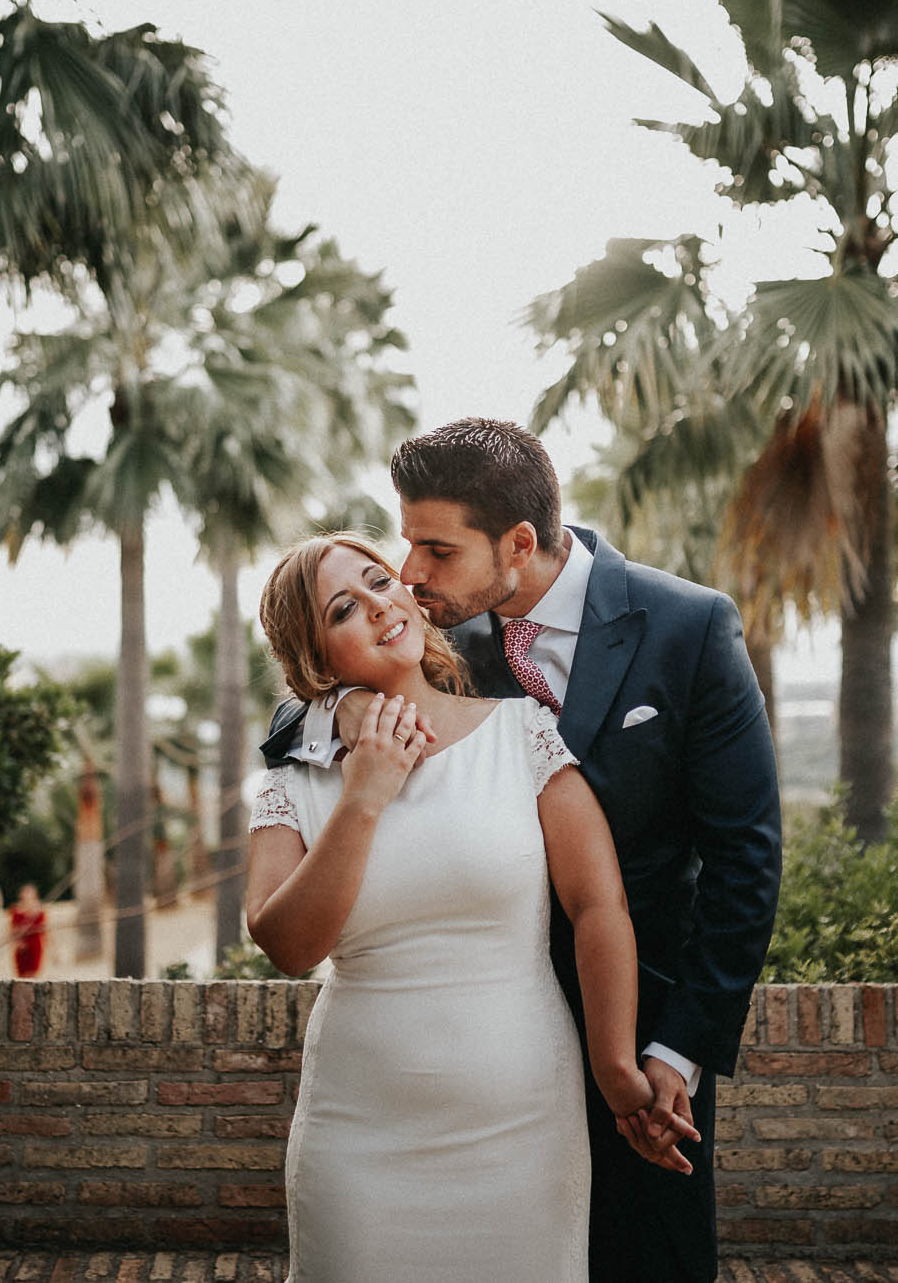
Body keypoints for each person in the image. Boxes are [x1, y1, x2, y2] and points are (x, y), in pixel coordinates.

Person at [261, 418, 782, 1283]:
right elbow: (304, 688)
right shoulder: (449, 641)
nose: (413, 577)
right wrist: (341, 715)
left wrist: (673, 1048)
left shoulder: (688, 627)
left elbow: (745, 863)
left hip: (642, 1030)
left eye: (435, 549)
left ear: (519, 543)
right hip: (461, 1040)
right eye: (406, 548)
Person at [246, 532, 682, 1283]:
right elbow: (287, 944)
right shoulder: (297, 782)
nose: (380, 603)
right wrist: (365, 794)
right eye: (344, 607)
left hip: (523, 1131)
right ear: (315, 657)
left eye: (381, 580)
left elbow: (599, 903)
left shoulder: (521, 733)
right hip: (358, 1140)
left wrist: (614, 1066)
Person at [8, 883, 49, 979]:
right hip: (21, 946)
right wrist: (17, 942)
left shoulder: (40, 911)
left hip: (35, 945)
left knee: (33, 974)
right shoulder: (16, 910)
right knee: (22, 975)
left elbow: (45, 931)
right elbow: (13, 930)